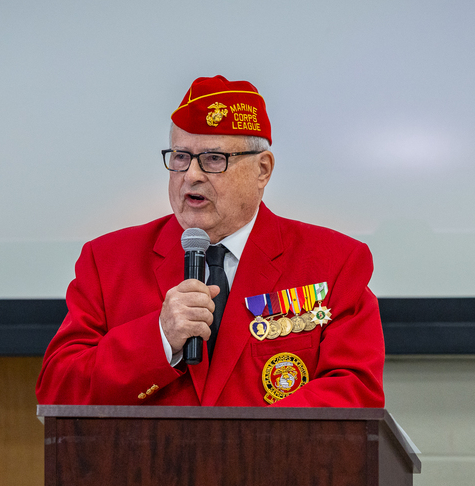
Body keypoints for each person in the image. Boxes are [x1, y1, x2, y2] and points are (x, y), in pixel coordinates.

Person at [36, 75, 385, 407]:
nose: (191, 175)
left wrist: (244, 442)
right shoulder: (108, 260)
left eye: (214, 159)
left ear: (262, 170)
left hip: (270, 467)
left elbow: (355, 390)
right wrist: (159, 337)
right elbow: (58, 390)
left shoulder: (335, 262)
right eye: (181, 157)